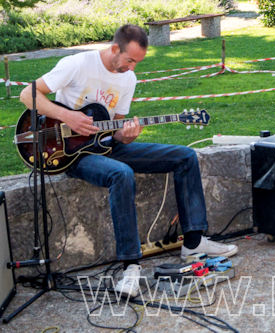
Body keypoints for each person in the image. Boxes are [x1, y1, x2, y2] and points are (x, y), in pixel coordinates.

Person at [19, 24, 237, 297]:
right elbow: (27, 95)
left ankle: (193, 242)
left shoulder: (128, 79)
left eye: (138, 62)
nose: (132, 67)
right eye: (130, 60)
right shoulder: (77, 64)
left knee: (185, 156)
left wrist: (126, 135)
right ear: (114, 48)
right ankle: (131, 266)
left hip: (105, 146)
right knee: (121, 174)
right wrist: (68, 116)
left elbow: (115, 131)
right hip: (71, 154)